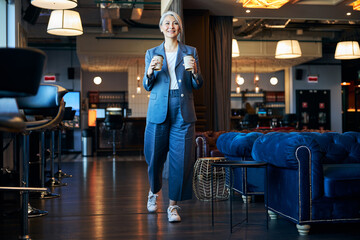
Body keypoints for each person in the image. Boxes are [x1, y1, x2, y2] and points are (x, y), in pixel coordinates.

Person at [143, 11, 203, 223]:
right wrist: (149, 71)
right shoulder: (151, 52)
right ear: (161, 28)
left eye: (175, 23)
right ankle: (153, 191)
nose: (171, 26)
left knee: (181, 160)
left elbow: (198, 83)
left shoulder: (191, 51)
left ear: (180, 28)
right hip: (158, 108)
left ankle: (173, 206)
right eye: (167, 23)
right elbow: (147, 85)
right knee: (154, 156)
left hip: (183, 109)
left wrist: (195, 71)